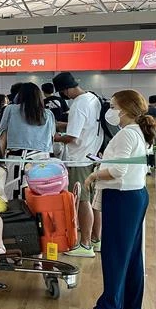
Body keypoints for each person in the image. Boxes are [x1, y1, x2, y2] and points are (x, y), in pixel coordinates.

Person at [80, 90, 156, 309]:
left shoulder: (127, 134)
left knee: (115, 253)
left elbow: (117, 170)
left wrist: (94, 176)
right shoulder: (138, 132)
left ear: (123, 109)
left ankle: (109, 307)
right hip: (134, 195)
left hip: (122, 196)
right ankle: (130, 304)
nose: (110, 111)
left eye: (113, 106)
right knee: (131, 253)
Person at [52, 72, 103, 258]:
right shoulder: (92, 98)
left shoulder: (78, 104)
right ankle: (97, 240)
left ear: (65, 90)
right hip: (93, 156)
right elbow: (86, 126)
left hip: (79, 158)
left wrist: (53, 137)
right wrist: (63, 125)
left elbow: (72, 137)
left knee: (82, 200)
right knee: (93, 200)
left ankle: (85, 244)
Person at [0, 83, 55, 199]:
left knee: (12, 194)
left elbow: (3, 137)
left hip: (15, 158)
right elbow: (51, 139)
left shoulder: (10, 109)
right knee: (38, 195)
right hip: (41, 160)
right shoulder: (48, 114)